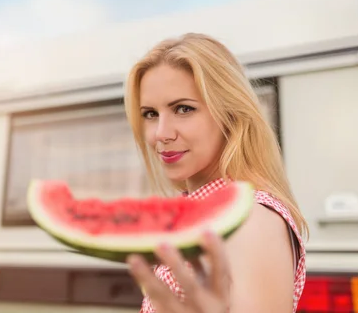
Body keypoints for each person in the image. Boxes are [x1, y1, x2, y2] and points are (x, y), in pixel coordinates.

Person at [122, 33, 308, 312]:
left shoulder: (249, 219)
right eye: (150, 114)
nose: (161, 133)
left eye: (183, 109)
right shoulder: (197, 213)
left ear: (230, 113)